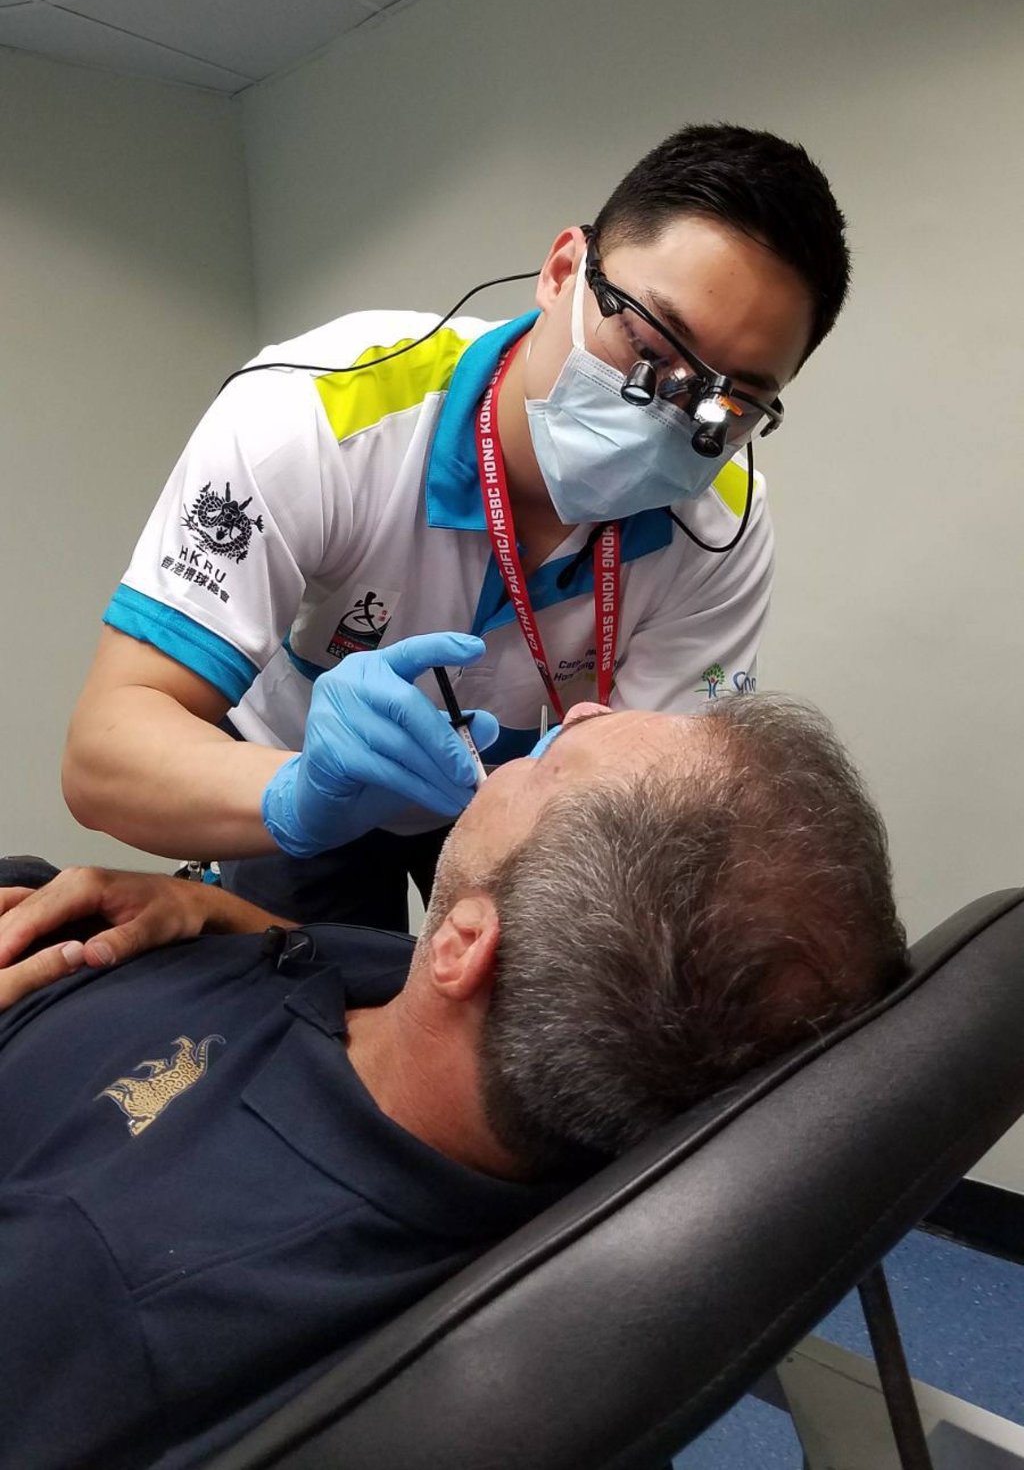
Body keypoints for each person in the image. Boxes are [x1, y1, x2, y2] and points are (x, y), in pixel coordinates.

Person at [0, 694, 905, 1467]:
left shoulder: (100, 1287)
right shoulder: (491, 1035)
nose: (578, 709)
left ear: (466, 947)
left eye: (555, 761)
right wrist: (217, 913)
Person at [62, 123, 850, 931]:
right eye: (648, 345)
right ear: (563, 271)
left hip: (521, 797)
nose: (668, 417)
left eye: (728, 402)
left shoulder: (722, 516)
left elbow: (663, 797)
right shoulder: (318, 412)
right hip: (295, 766)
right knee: (309, 1004)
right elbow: (105, 753)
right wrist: (294, 793)